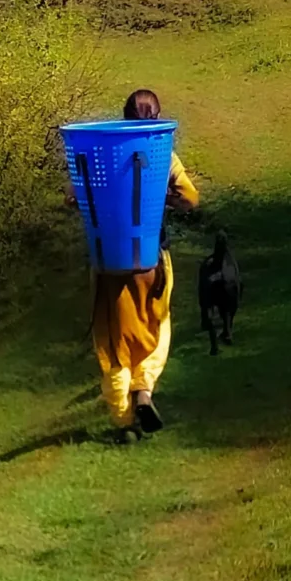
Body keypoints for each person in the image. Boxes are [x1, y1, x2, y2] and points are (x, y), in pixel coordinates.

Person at [90, 88, 198, 435]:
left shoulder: (100, 154)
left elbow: (73, 195)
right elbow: (190, 199)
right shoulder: (165, 156)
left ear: (124, 117)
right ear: (158, 118)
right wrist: (160, 197)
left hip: (109, 262)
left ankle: (124, 421)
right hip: (152, 259)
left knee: (114, 341)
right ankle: (144, 393)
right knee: (156, 329)